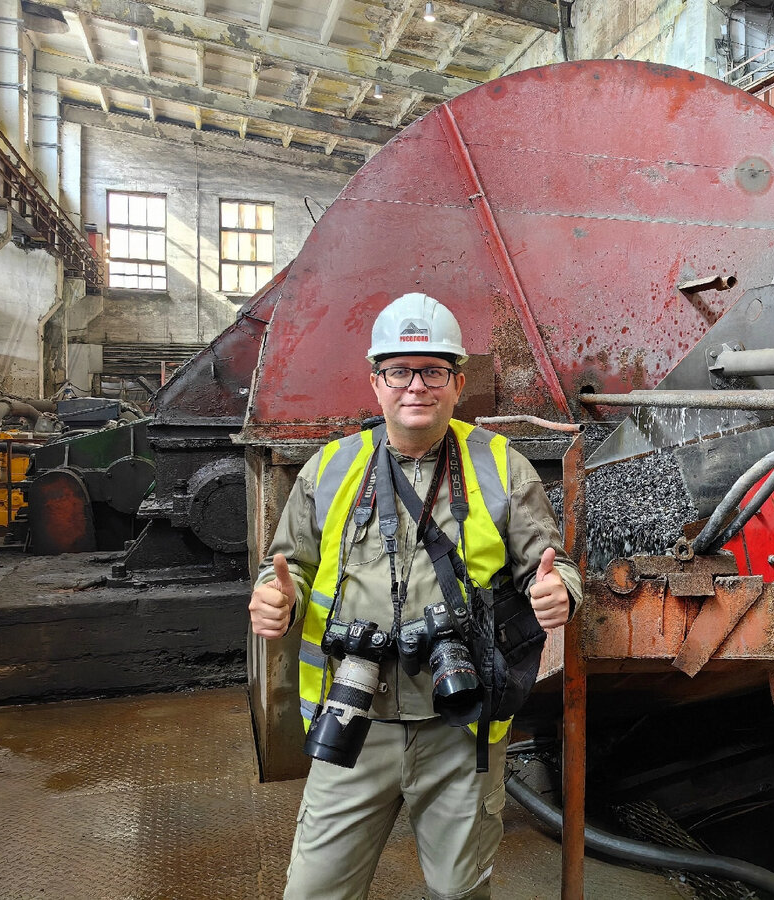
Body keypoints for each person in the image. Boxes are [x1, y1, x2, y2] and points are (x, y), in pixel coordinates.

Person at [249, 292, 582, 900]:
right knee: (313, 891)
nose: (415, 387)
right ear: (376, 383)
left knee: (460, 891)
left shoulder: (502, 467)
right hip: (352, 719)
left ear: (457, 383)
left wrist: (562, 592)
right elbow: (286, 568)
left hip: (462, 723)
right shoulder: (328, 470)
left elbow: (553, 565)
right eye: (399, 371)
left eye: (433, 371)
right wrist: (276, 600)